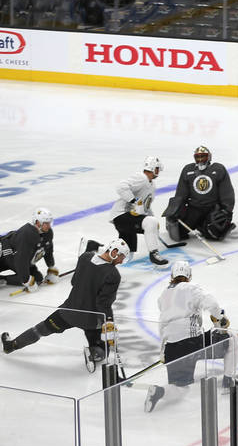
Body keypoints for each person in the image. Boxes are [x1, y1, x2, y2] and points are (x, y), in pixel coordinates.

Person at [2, 238, 127, 372]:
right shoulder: (113, 274)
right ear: (114, 252)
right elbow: (104, 304)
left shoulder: (85, 257)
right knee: (103, 349)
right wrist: (109, 322)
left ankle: (11, 345)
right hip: (91, 320)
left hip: (68, 312)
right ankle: (93, 354)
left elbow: (74, 282)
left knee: (40, 330)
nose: (121, 261)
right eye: (121, 257)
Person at [144, 261, 233, 412]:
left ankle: (160, 391)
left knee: (180, 388)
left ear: (172, 276)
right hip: (192, 343)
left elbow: (162, 325)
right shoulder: (191, 288)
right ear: (189, 276)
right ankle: (229, 381)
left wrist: (163, 351)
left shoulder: (163, 295)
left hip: (171, 347)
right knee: (232, 339)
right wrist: (220, 319)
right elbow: (211, 303)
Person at [162, 145, 236, 242]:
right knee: (179, 232)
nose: (200, 159)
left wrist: (226, 211)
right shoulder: (188, 170)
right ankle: (199, 223)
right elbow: (181, 193)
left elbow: (227, 192)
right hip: (194, 208)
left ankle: (203, 226)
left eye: (203, 156)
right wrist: (175, 210)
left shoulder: (218, 169)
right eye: (198, 157)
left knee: (213, 233)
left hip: (213, 208)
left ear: (209, 157)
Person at [109, 156, 168, 266]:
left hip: (129, 219)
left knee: (126, 255)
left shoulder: (151, 185)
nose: (158, 172)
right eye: (157, 169)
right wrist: (133, 201)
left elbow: (146, 206)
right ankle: (154, 254)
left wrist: (153, 221)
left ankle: (95, 248)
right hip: (122, 216)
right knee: (150, 222)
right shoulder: (141, 178)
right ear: (153, 168)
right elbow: (121, 187)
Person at [0, 207, 59, 294]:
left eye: (49, 222)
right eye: (46, 223)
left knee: (38, 278)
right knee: (28, 277)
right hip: (4, 255)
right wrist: (27, 280)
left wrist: (51, 268)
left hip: (13, 257)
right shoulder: (27, 234)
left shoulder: (48, 233)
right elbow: (21, 259)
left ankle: (2, 279)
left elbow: (48, 250)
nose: (49, 226)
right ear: (37, 222)